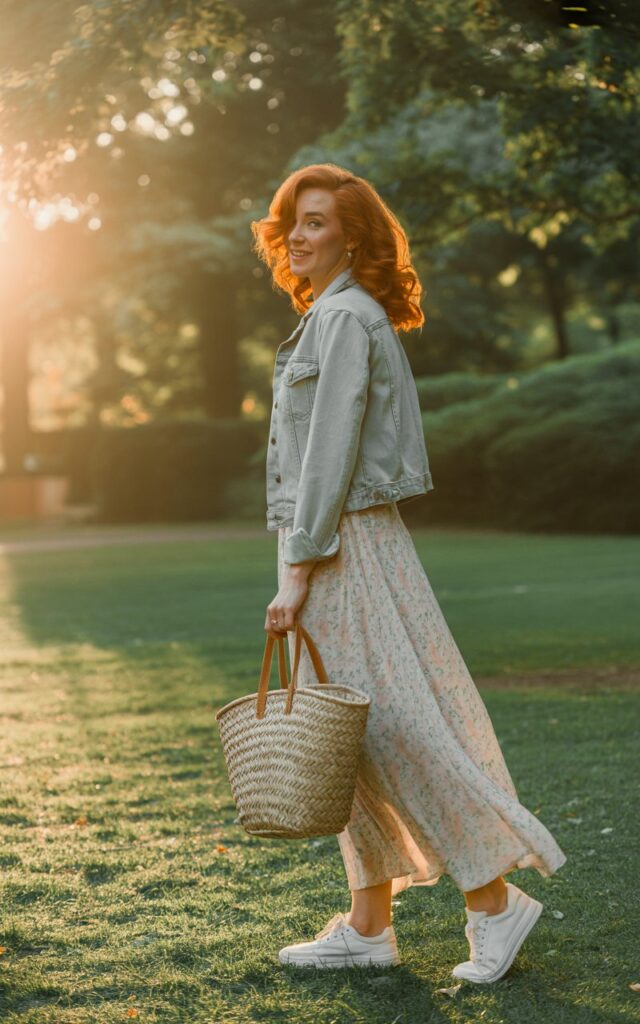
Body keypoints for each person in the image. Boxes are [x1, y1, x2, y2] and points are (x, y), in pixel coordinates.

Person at [249, 163, 567, 982]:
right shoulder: (328, 315)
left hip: (343, 544)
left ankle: (493, 902)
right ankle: (368, 925)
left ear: (351, 234)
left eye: (315, 221)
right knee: (346, 738)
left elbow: (327, 458)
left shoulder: (346, 319)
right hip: (335, 543)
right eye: (292, 220)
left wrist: (296, 572)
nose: (298, 234)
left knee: (387, 729)